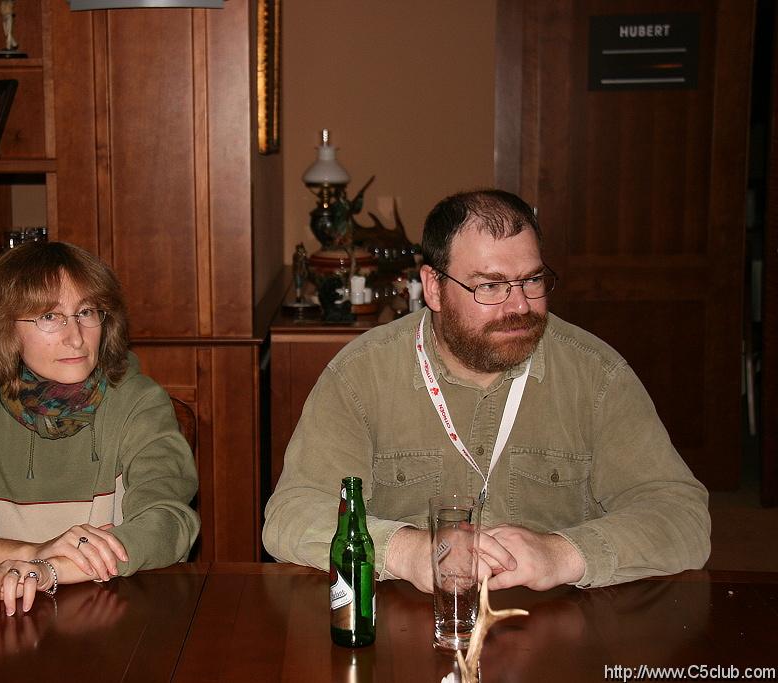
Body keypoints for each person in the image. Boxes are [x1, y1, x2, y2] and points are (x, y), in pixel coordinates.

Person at [263, 189, 709, 592]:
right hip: (408, 622)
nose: (519, 306)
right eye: (491, 286)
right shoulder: (360, 376)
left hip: (559, 624)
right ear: (434, 287)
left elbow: (681, 516)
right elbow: (292, 514)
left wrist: (563, 555)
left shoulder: (597, 376)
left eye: (532, 280)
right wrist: (408, 551)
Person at [0, 241, 200, 616]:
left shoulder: (138, 400)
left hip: (118, 611)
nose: (76, 337)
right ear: (5, 328)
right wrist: (32, 553)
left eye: (86, 312)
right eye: (49, 316)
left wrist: (49, 569)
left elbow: (169, 523)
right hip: (2, 608)